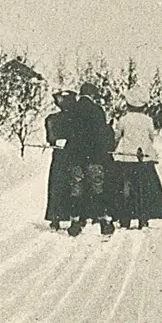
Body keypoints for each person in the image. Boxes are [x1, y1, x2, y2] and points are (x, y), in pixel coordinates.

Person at [109, 84, 162, 229]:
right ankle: (143, 218)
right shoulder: (148, 120)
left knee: (126, 190)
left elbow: (117, 137)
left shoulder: (123, 120)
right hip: (143, 159)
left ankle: (125, 218)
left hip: (126, 158)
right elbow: (151, 137)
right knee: (144, 189)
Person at [69, 82, 116, 236]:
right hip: (94, 156)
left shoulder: (72, 109)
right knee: (97, 188)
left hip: (76, 156)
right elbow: (102, 134)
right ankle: (104, 222)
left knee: (77, 188)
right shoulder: (97, 110)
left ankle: (75, 222)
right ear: (92, 94)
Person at [44, 88, 77, 232]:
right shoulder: (77, 119)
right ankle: (74, 217)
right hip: (75, 156)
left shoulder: (52, 119)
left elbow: (50, 139)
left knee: (57, 185)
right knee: (74, 185)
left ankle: (55, 218)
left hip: (59, 156)